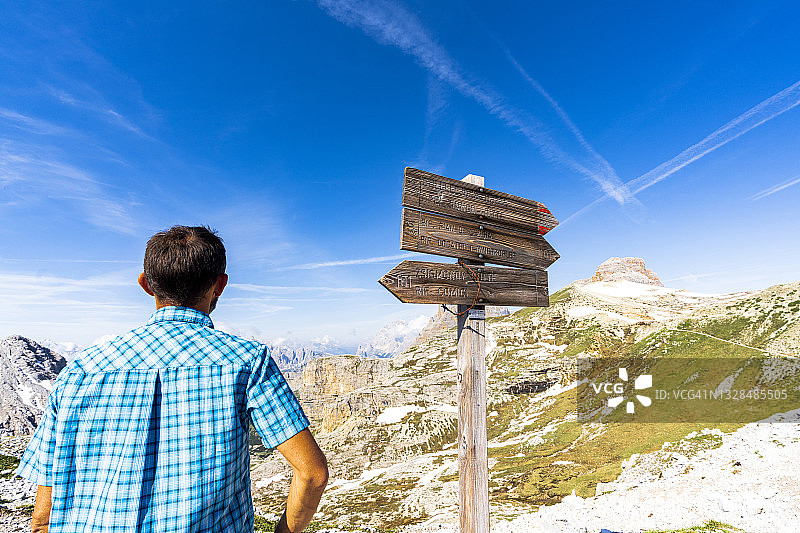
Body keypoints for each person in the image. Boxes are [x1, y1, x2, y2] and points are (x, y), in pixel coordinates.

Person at [16, 225, 328, 533]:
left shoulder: (81, 368)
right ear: (220, 284)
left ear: (145, 284)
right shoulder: (247, 360)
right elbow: (313, 473)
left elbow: (44, 516)